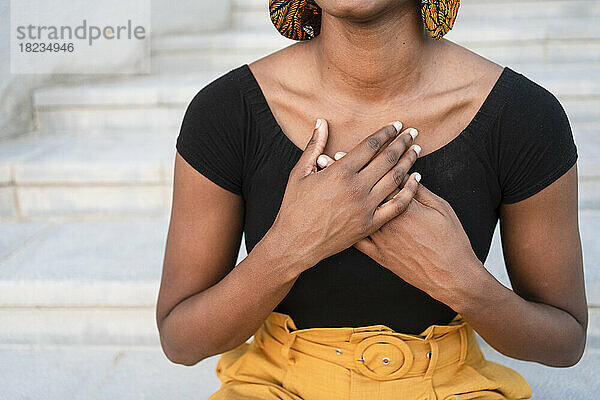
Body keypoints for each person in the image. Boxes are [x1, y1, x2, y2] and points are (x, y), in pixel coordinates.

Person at [156, 0, 588, 398]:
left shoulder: (523, 116)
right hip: (274, 387)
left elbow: (564, 341)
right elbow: (182, 339)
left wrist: (463, 281)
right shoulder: (227, 112)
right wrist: (290, 247)